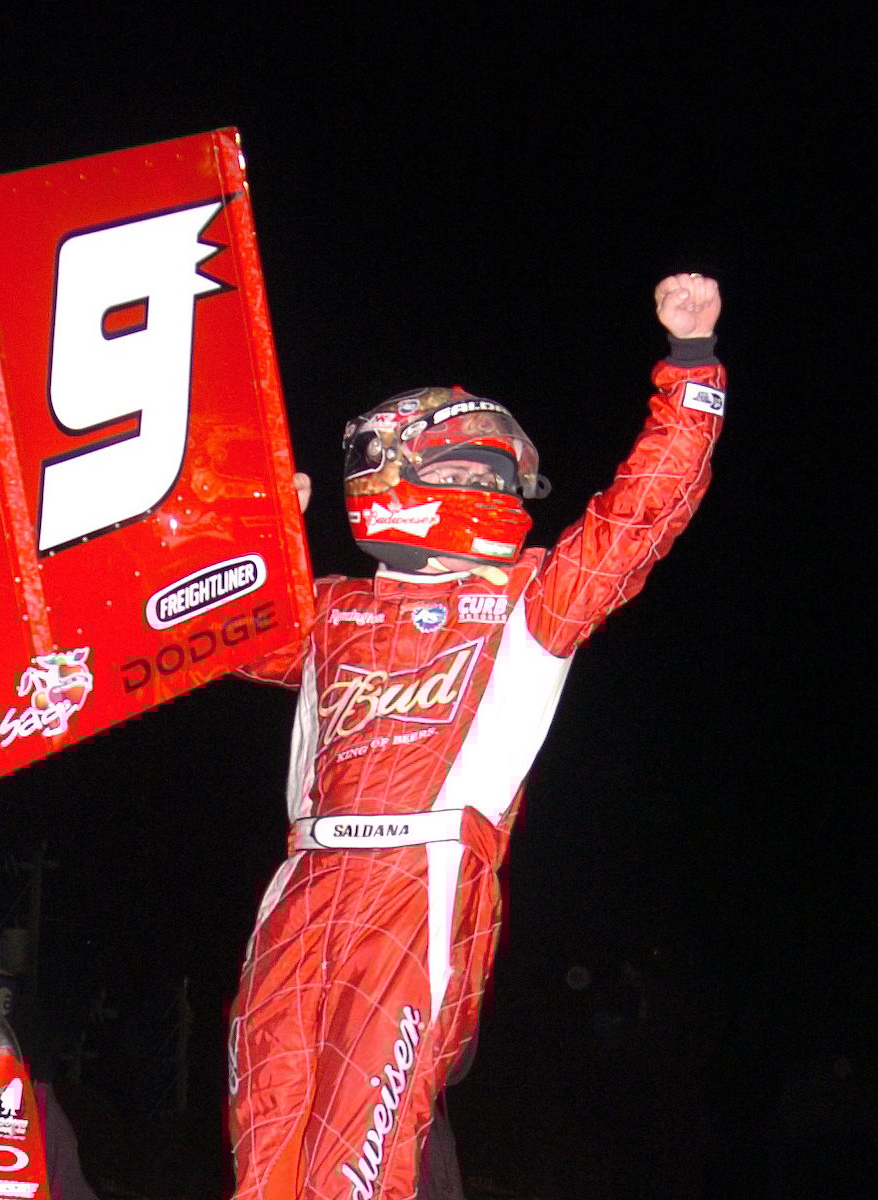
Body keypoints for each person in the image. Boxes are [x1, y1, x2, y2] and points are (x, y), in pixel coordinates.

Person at [227, 274, 725, 1198]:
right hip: (303, 884)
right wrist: (257, 529)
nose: (473, 491)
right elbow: (202, 631)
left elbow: (637, 519)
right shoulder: (326, 612)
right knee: (267, 1146)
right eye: (454, 474)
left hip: (424, 882)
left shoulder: (530, 602)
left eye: (484, 475)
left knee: (356, 1163)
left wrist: (690, 365)